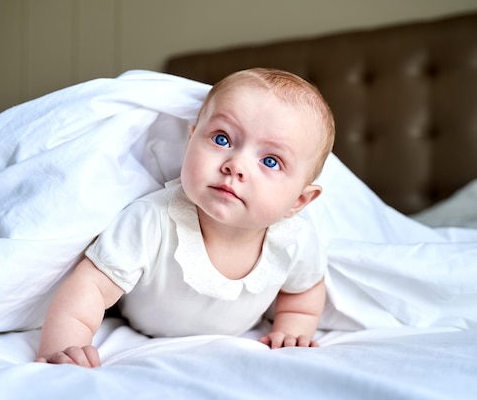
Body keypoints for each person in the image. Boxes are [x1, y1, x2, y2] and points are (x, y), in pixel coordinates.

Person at [36, 68, 336, 367]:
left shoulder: (294, 239)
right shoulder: (152, 220)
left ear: (298, 201)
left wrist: (292, 330)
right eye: (221, 139)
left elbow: (304, 290)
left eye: (270, 161)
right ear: (190, 140)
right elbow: (91, 287)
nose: (235, 165)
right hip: (140, 323)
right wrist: (65, 346)